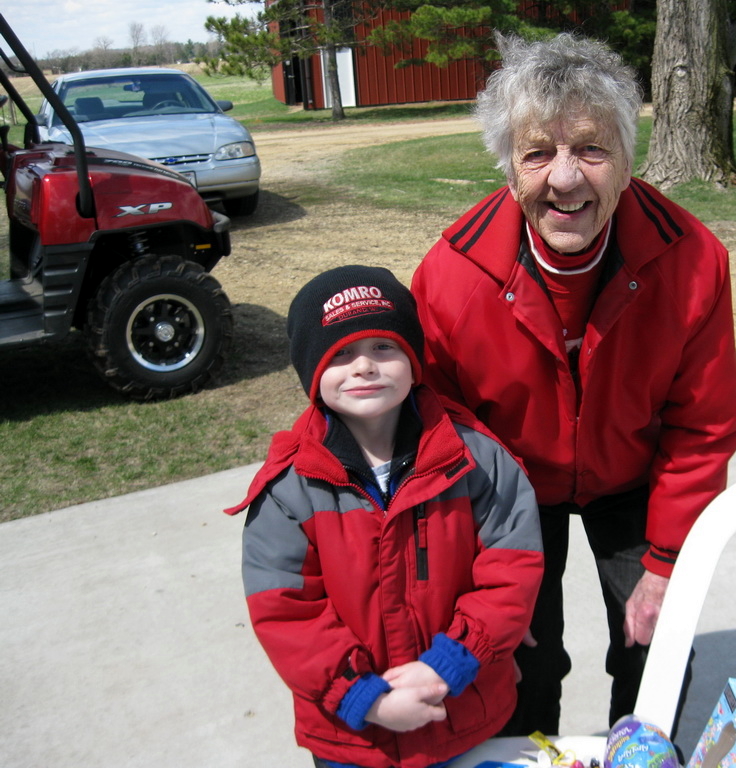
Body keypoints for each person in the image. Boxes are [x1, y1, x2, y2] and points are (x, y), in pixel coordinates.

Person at [411, 33, 736, 736]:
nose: (565, 179)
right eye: (538, 153)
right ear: (509, 168)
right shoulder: (450, 278)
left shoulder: (692, 261)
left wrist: (664, 566)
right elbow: (443, 441)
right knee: (518, 657)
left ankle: (637, 755)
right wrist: (482, 575)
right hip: (511, 491)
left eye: (590, 149)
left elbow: (704, 425)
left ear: (627, 160)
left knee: (655, 646)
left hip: (633, 475)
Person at [225, 265, 544, 768]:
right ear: (312, 372)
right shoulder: (290, 487)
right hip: (353, 737)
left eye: (383, 348)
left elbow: (511, 570)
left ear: (414, 360)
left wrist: (448, 665)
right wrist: (365, 698)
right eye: (340, 354)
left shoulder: (477, 458)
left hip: (460, 712)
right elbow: (286, 609)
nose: (364, 367)